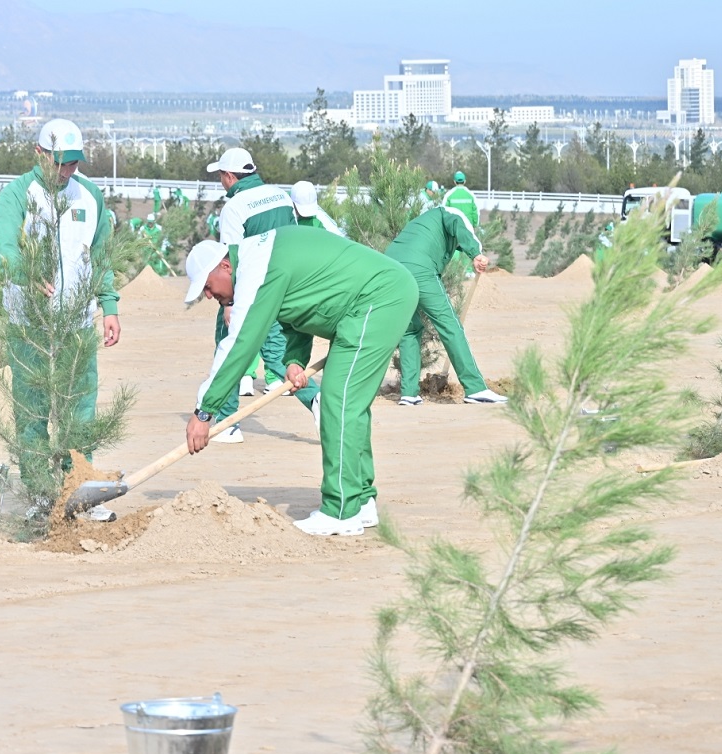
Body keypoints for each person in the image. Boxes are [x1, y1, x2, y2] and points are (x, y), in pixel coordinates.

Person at [184, 227, 419, 536]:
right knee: (348, 404)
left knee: (338, 403)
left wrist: (205, 412)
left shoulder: (257, 270)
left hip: (377, 299)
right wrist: (295, 360)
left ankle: (340, 511)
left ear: (225, 266)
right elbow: (302, 302)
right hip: (372, 301)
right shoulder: (263, 256)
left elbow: (240, 344)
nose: (210, 296)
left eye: (209, 287)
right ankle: (360, 502)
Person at [0, 118, 120, 523]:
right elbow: (4, 247)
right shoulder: (17, 195)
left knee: (79, 411)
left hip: (77, 324)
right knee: (32, 413)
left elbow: (102, 257)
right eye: (60, 162)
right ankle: (42, 496)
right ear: (39, 154)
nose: (67, 171)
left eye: (74, 163)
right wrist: (27, 273)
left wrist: (109, 305)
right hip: (29, 324)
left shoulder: (90, 196)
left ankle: (79, 493)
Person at [207, 146, 320, 442]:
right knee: (276, 352)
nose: (221, 182)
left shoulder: (234, 208)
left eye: (221, 176)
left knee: (229, 348)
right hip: (284, 286)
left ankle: (228, 422)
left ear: (230, 177)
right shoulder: (280, 196)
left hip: (249, 288)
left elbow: (229, 258)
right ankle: (316, 400)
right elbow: (294, 238)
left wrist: (229, 303)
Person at [387, 206, 507, 407]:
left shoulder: (423, 224)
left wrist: (466, 252)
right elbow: (458, 225)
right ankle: (475, 388)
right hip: (419, 269)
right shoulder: (450, 213)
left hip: (390, 270)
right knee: (450, 325)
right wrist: (476, 253)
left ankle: (409, 394)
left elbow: (453, 240)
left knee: (409, 330)